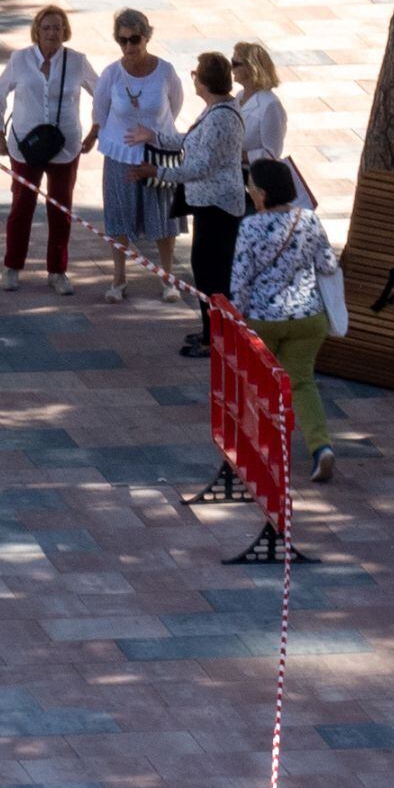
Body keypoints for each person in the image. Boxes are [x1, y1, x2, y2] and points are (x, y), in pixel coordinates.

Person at [231, 157, 343, 482]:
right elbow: (328, 264)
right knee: (302, 383)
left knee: (256, 382)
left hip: (265, 318)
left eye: (251, 186)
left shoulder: (250, 226)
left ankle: (259, 450)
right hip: (310, 317)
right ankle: (321, 447)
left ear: (262, 193)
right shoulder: (309, 220)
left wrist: (235, 318)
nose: (249, 191)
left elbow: (241, 279)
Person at [140, 51, 248, 360]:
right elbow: (191, 141)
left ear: (204, 82)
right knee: (206, 272)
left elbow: (197, 167)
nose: (194, 80)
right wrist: (156, 137)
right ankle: (210, 331)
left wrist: (157, 171)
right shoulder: (217, 110)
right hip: (208, 204)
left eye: (195, 75)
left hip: (218, 207)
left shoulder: (221, 118)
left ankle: (217, 339)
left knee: (212, 275)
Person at [0, 5, 96, 294]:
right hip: (26, 147)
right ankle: (12, 266)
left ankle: (58, 271)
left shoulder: (77, 61)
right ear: (37, 30)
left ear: (65, 31)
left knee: (61, 208)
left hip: (65, 146)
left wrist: (96, 131)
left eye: (57, 27)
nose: (52, 33)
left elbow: (102, 94)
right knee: (21, 206)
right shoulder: (19, 59)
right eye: (46, 27)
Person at [91, 9, 184, 305]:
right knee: (119, 216)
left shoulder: (165, 71)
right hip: (121, 155)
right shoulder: (111, 73)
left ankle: (167, 278)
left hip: (157, 155)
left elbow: (175, 104)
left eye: (135, 39)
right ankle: (118, 277)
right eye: (122, 41)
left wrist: (155, 134)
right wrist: (114, 138)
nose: (129, 47)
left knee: (162, 217)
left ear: (147, 36)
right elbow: (99, 112)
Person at [231, 41, 288, 169]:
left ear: (251, 68)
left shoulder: (270, 105)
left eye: (235, 64)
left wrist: (240, 155)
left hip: (253, 177)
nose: (231, 68)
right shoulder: (240, 95)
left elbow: (272, 152)